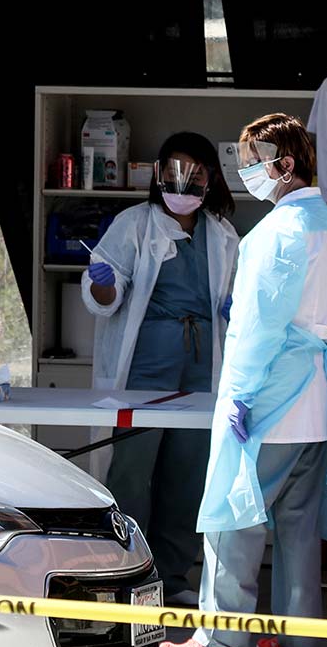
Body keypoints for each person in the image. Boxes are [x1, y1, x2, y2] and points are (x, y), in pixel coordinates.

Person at [161, 113, 327, 647]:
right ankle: (298, 638)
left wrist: (239, 396)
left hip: (271, 400)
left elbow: (255, 328)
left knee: (234, 516)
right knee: (298, 528)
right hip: (319, 401)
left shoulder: (274, 234)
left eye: (252, 162)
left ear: (285, 165)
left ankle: (222, 637)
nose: (245, 172)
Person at [80, 132, 242, 605]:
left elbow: (231, 301)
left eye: (195, 175)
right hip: (145, 364)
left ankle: (172, 577)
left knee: (188, 472)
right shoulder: (134, 224)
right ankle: (125, 573)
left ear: (210, 179)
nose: (183, 184)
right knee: (132, 470)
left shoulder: (222, 233)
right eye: (174, 172)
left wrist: (236, 308)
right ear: (158, 174)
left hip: (200, 365)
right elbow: (104, 300)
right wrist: (102, 283)